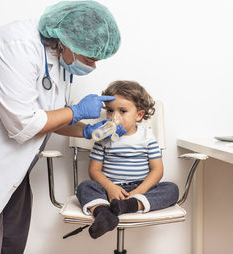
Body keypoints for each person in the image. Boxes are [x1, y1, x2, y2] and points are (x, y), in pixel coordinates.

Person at [0, 1, 124, 253]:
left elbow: (51, 117)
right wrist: (75, 111)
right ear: (69, 42)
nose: (92, 66)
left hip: (14, 171)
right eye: (90, 58)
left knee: (12, 245)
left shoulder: (58, 56)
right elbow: (24, 124)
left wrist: (86, 130)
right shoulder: (14, 45)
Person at [76, 80, 179, 239]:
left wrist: (138, 192)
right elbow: (94, 170)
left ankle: (128, 205)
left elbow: (157, 170)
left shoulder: (146, 136)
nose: (114, 116)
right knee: (84, 187)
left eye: (122, 111)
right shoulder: (104, 137)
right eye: (110, 110)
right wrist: (110, 187)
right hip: (109, 189)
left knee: (172, 189)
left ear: (139, 115)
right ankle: (104, 213)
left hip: (140, 188)